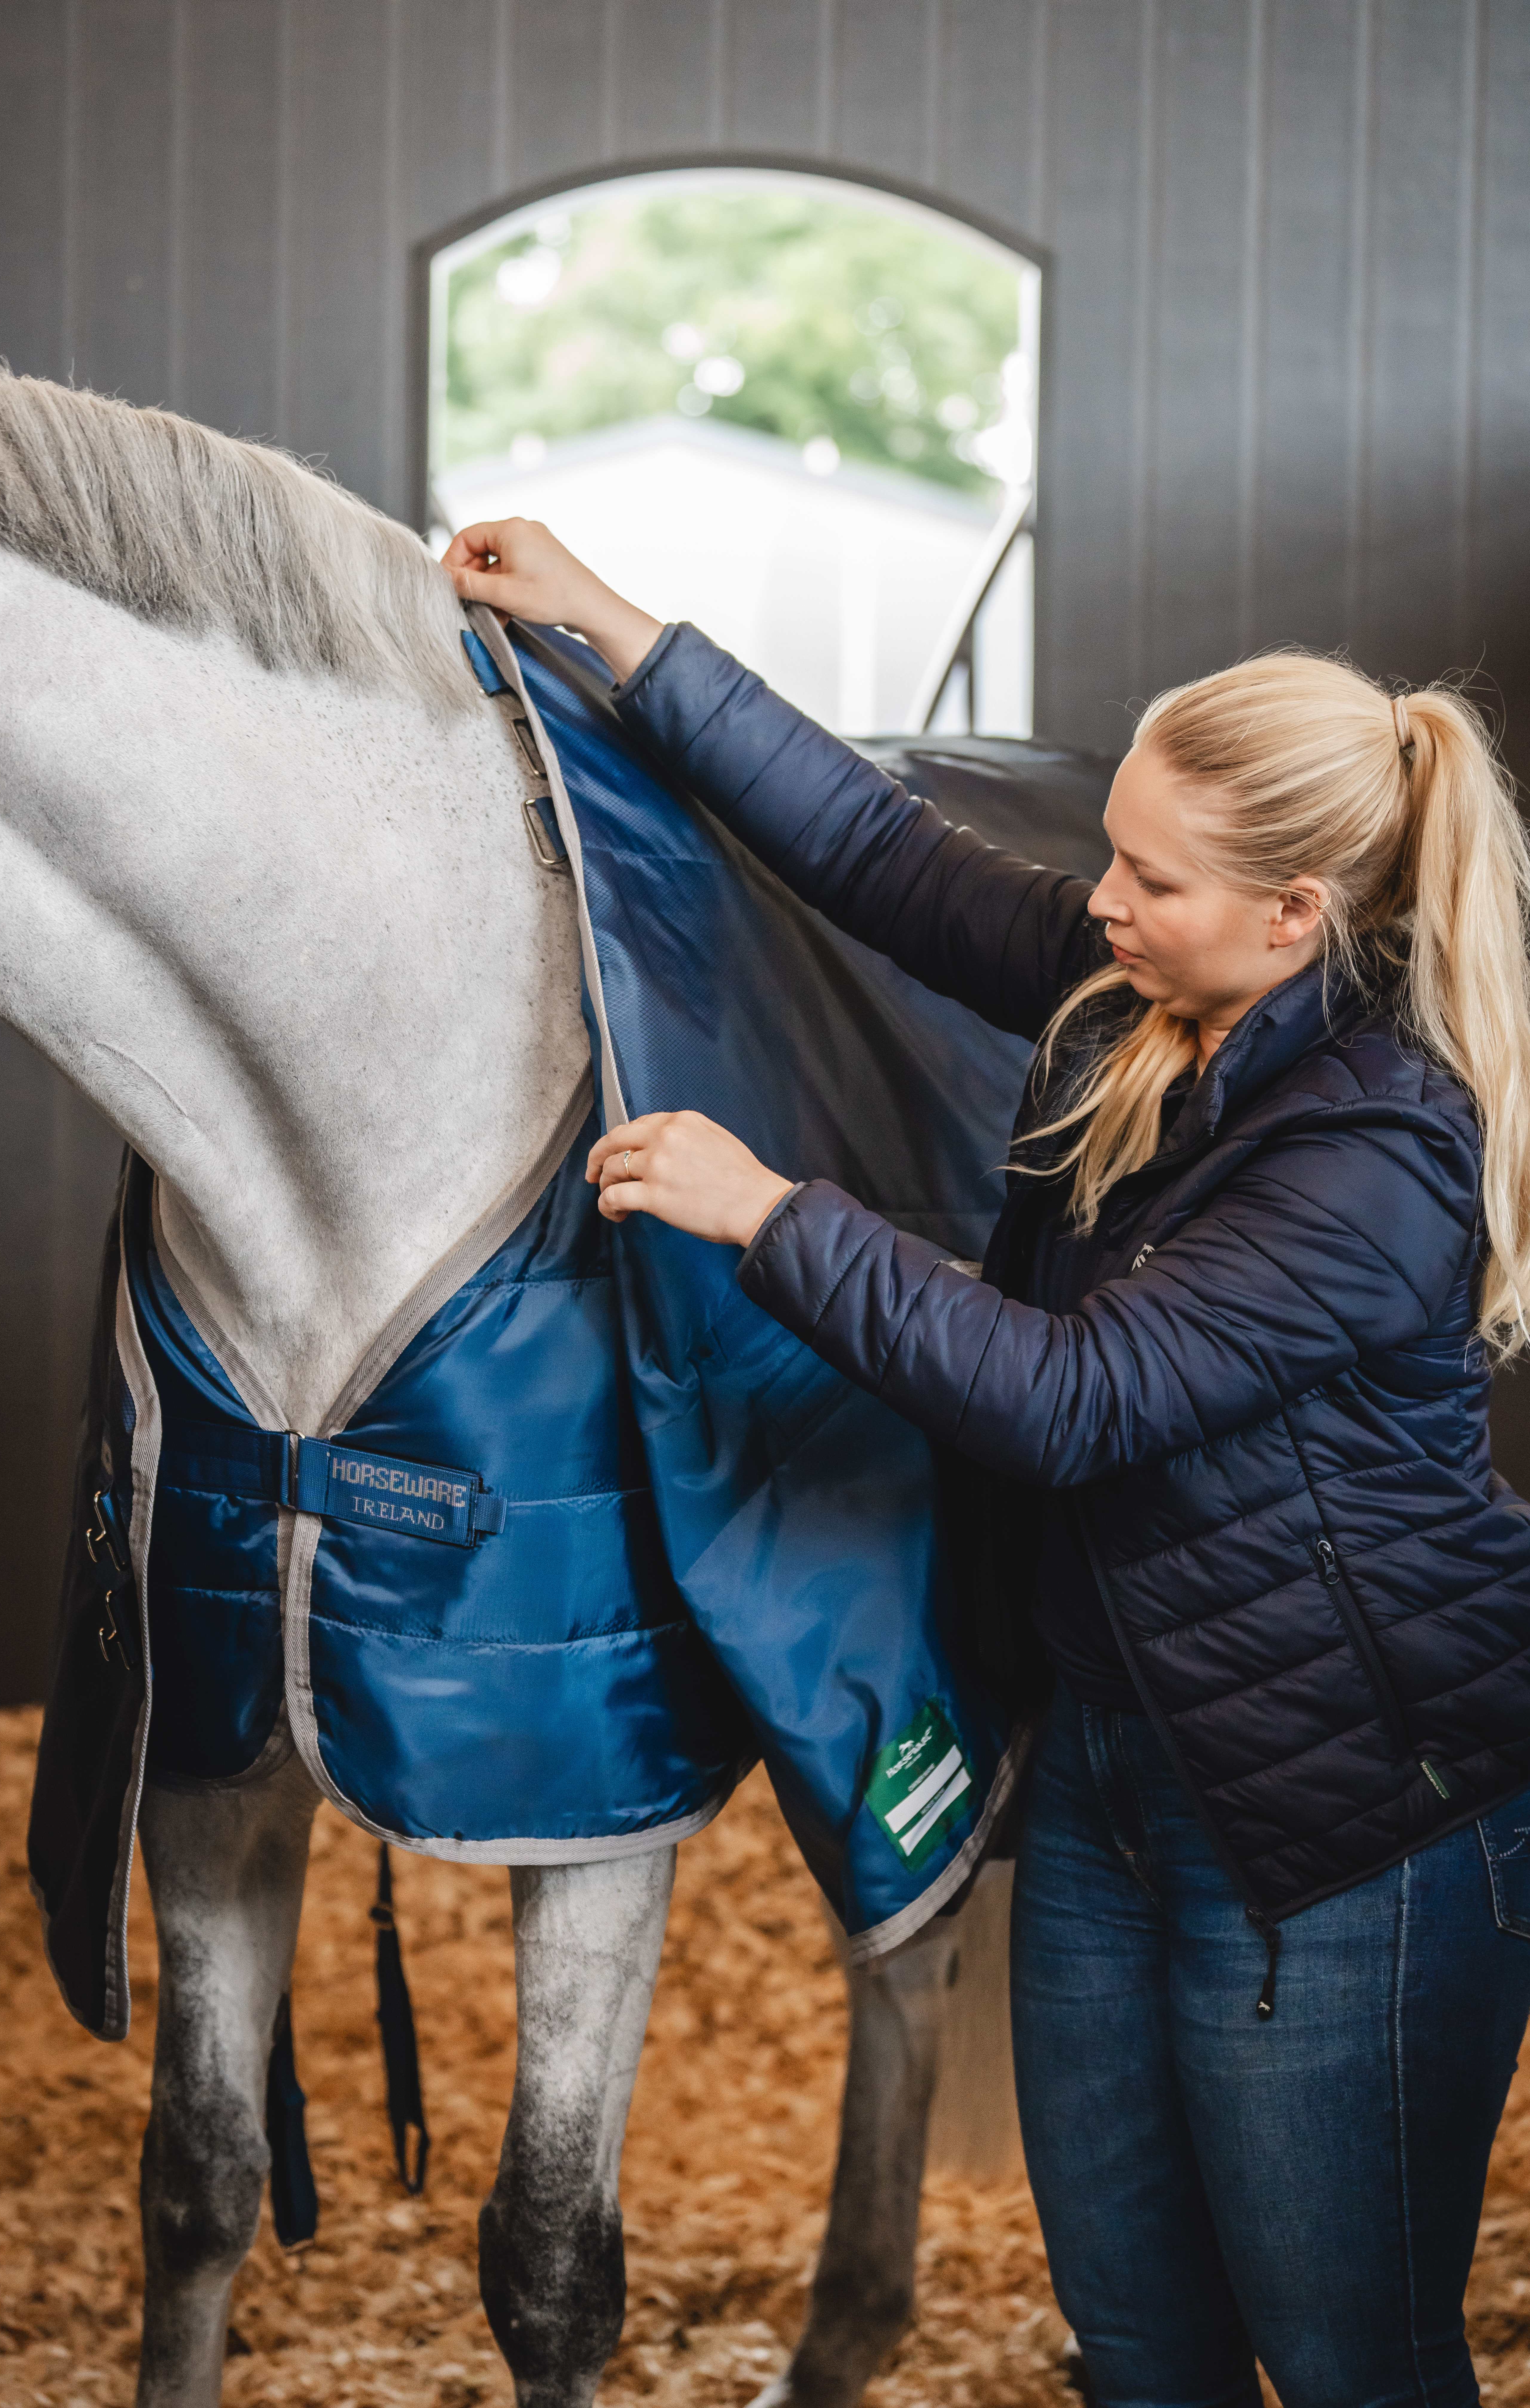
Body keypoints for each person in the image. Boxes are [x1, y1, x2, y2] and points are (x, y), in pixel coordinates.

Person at [442, 517, 1530, 2407]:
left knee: (1350, 2360)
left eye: (1149, 875)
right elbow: (879, 851)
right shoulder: (1146, 997)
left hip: (1346, 1820)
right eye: (1105, 846)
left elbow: (1069, 1396)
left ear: (1293, 914)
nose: (1095, 896)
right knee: (1138, 2348)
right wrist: (609, 621)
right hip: (1114, 1773)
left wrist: (773, 1212)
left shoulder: (1376, 1148)